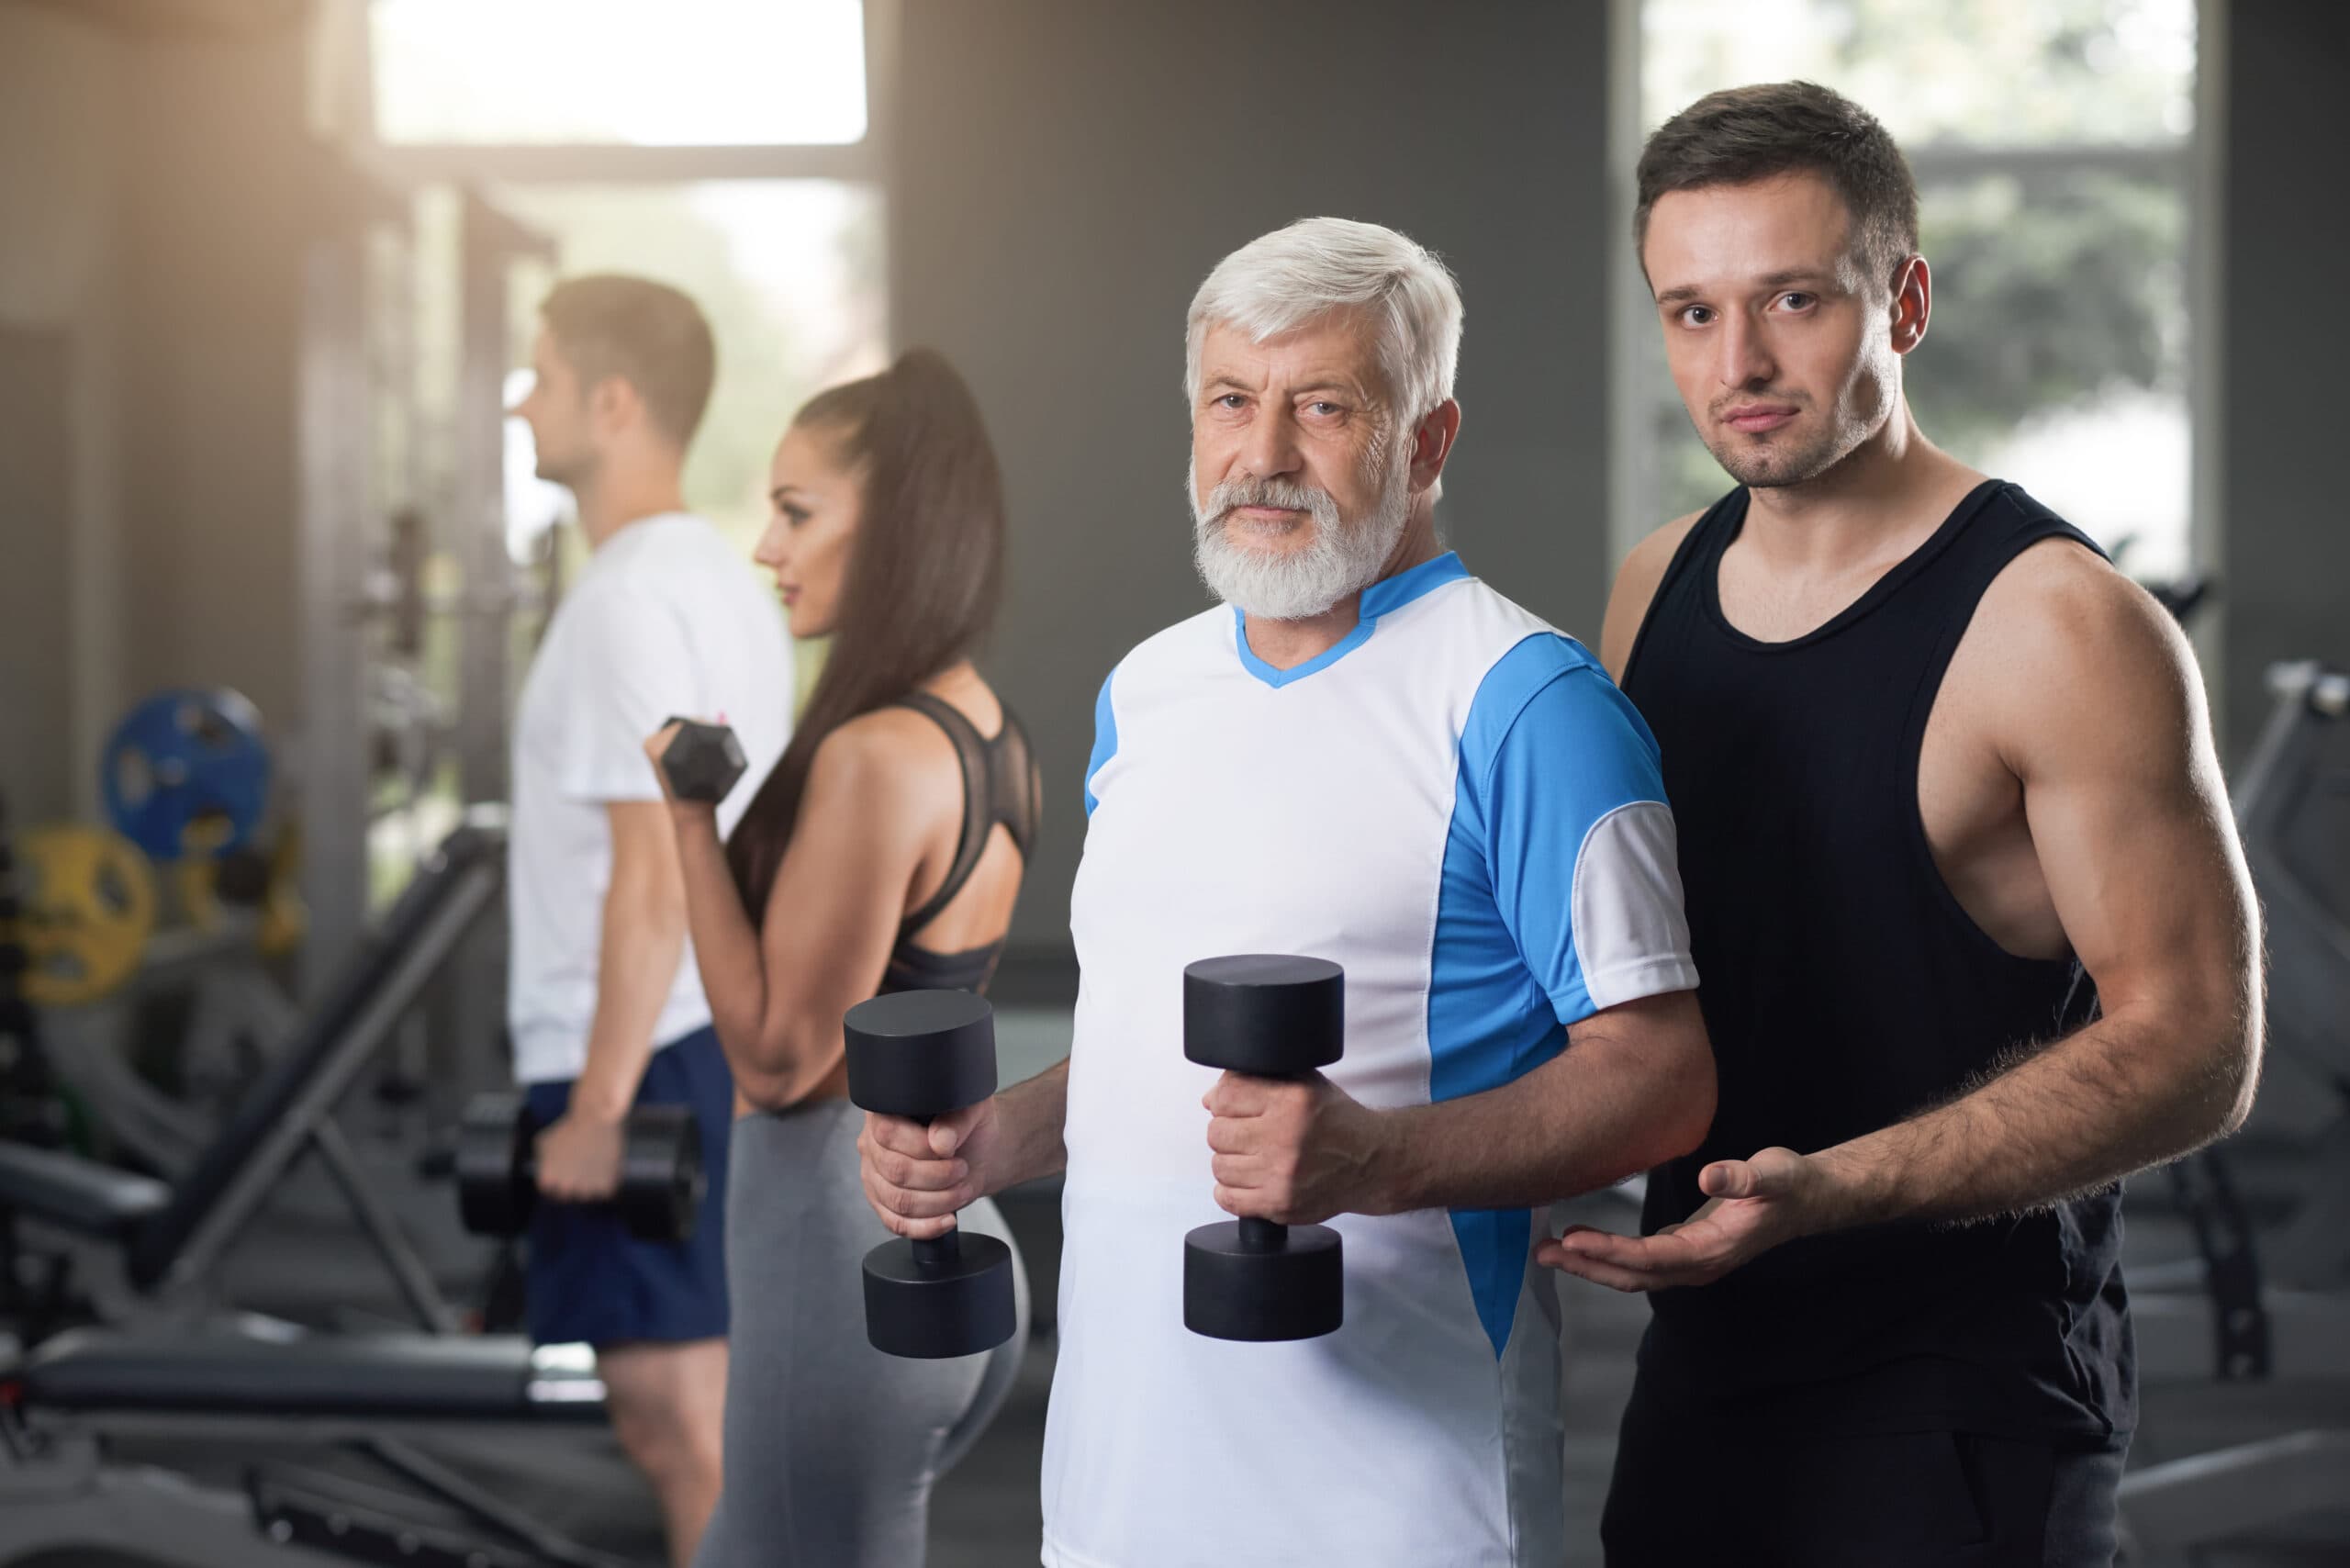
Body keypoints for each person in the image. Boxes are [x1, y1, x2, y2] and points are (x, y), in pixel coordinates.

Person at [859, 218, 1716, 1567]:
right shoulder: (1148, 690)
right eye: (1229, 401)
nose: (1263, 456)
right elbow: (1153, 1043)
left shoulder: (1529, 703)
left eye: (1324, 406)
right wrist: (1002, 1140)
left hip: (1396, 1502)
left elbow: (1664, 1078)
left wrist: (1378, 1162)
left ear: (1427, 441)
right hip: (1118, 1485)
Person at [1543, 82, 2266, 1567]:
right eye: (1690, 312)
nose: (1737, 362)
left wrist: (1837, 1190)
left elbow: (2201, 1041)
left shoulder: (2059, 626)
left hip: (1960, 1394)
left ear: (1906, 299)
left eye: (1791, 300)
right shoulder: (1653, 584)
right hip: (1709, 1345)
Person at [643, 348, 1036, 1568]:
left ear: (899, 526)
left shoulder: (875, 754)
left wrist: (685, 817)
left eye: (798, 511)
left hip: (835, 1252)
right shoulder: (986, 729)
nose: (769, 546)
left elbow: (777, 1062)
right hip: (942, 1233)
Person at [506, 274, 791, 1565]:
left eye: (543, 376)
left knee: (678, 1422)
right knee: (693, 1415)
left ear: (612, 403)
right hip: (690, 1039)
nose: (522, 399)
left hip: (644, 1051)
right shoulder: (719, 582)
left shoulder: (627, 598)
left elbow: (650, 868)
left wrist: (602, 1103)